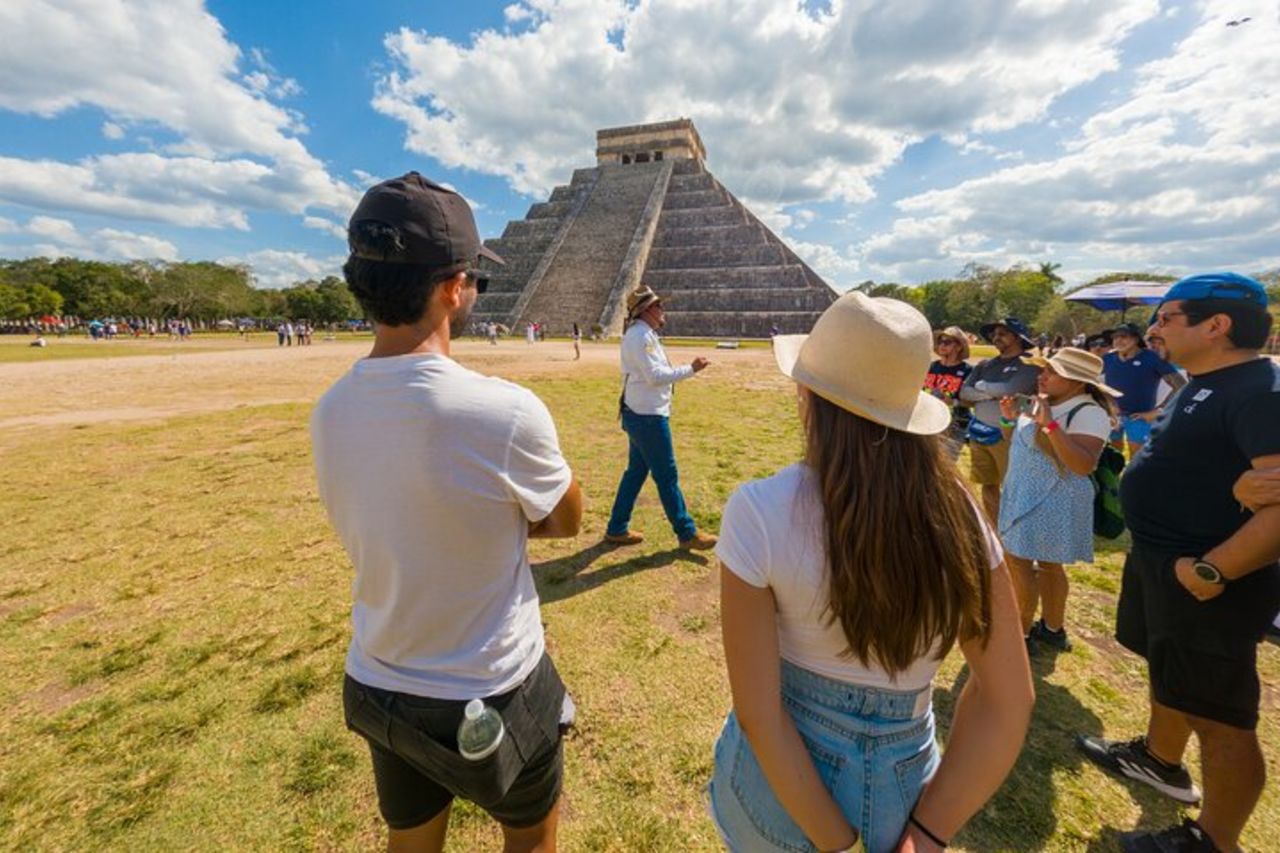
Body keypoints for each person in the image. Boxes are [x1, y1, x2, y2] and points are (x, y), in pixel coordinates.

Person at [311, 172, 583, 853]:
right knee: (531, 834)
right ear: (453, 287)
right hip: (491, 687)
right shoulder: (504, 411)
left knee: (411, 841)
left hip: (379, 679)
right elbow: (566, 517)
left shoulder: (329, 411)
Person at [709, 292, 1033, 853]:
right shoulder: (961, 518)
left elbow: (760, 713)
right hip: (902, 787)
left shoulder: (759, 511)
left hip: (782, 789)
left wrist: (833, 842)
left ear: (807, 392)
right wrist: (927, 835)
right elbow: (1009, 699)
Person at [1074, 273, 1280, 853]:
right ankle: (1160, 760)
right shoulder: (1204, 381)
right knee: (1170, 676)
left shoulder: (1258, 392)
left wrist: (1213, 571)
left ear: (1217, 326)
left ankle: (1215, 839)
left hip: (1207, 581)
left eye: (1167, 318)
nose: (1152, 327)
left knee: (1222, 718)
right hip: (1163, 563)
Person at [996, 349, 1119, 654]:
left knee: (1023, 563)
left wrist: (1049, 426)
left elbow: (1081, 464)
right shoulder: (1045, 402)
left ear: (1077, 382)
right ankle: (1052, 629)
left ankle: (1020, 636)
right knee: (1046, 566)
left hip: (1053, 499)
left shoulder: (1090, 413)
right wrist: (1009, 419)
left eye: (1052, 372)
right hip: (1026, 492)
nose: (1042, 376)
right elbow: (1017, 442)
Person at [604, 284, 717, 550]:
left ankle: (616, 527)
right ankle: (686, 533)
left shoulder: (644, 334)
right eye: (658, 305)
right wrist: (691, 369)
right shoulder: (640, 337)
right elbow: (655, 377)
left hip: (640, 413)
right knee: (667, 476)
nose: (663, 309)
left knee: (635, 474)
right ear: (646, 310)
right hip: (647, 417)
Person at [959, 317, 1041, 523]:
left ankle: (1016, 527)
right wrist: (992, 392)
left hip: (1011, 434)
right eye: (994, 334)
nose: (996, 338)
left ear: (1017, 338)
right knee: (988, 484)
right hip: (979, 432)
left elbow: (1011, 390)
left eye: (1003, 334)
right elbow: (964, 392)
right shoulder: (986, 364)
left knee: (1014, 485)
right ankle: (995, 526)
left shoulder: (1029, 364)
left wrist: (983, 387)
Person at [1102, 322, 1185, 456]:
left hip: (1139, 417)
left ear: (1136, 339)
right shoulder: (1108, 359)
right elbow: (1094, 383)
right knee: (1113, 456)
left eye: (1124, 336)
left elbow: (1181, 385)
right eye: (1115, 337)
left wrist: (1159, 410)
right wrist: (1107, 405)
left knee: (1138, 459)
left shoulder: (1152, 358)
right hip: (1112, 416)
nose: (1118, 340)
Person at [923, 325, 973, 458]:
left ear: (959, 347)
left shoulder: (968, 371)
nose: (942, 345)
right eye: (940, 342)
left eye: (947, 342)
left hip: (955, 424)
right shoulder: (932, 366)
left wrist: (954, 401)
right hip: (930, 421)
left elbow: (973, 401)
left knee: (947, 464)